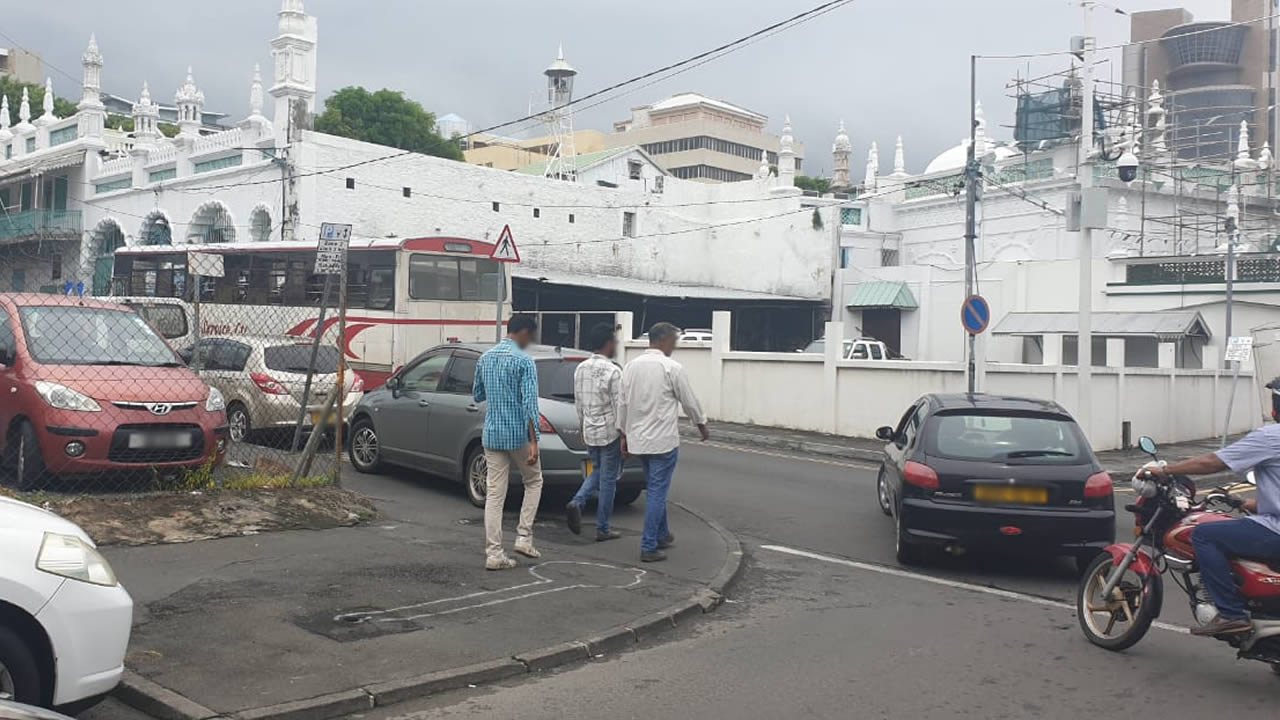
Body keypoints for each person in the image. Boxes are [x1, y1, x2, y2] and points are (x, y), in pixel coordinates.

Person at [1148, 425, 1280, 636]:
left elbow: (1213, 462)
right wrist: (1244, 503)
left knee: (1204, 535)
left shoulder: (1271, 436)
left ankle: (1231, 614)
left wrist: (1165, 470)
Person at [618, 322, 709, 563]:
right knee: (658, 491)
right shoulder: (672, 368)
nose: (675, 346)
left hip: (638, 440)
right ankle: (648, 545)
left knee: (654, 488)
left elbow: (622, 403)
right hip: (663, 442)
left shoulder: (630, 367)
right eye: (674, 341)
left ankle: (662, 533)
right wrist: (701, 424)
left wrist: (623, 435)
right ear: (664, 340)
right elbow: (689, 400)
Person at [473, 314, 544, 571]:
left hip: (492, 433)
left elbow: (477, 394)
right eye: (531, 335)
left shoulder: (485, 358)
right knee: (534, 481)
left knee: (495, 494)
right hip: (517, 434)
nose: (531, 341)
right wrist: (534, 441)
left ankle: (494, 553)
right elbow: (530, 404)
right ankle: (524, 536)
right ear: (524, 332)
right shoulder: (525, 361)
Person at [565, 323, 624, 542]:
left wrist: (582, 427)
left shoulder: (580, 368)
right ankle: (603, 528)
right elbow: (620, 407)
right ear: (608, 344)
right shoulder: (614, 371)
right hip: (609, 431)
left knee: (598, 471)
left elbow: (578, 402)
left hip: (589, 428)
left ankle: (578, 502)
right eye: (615, 342)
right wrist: (624, 435)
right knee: (608, 479)